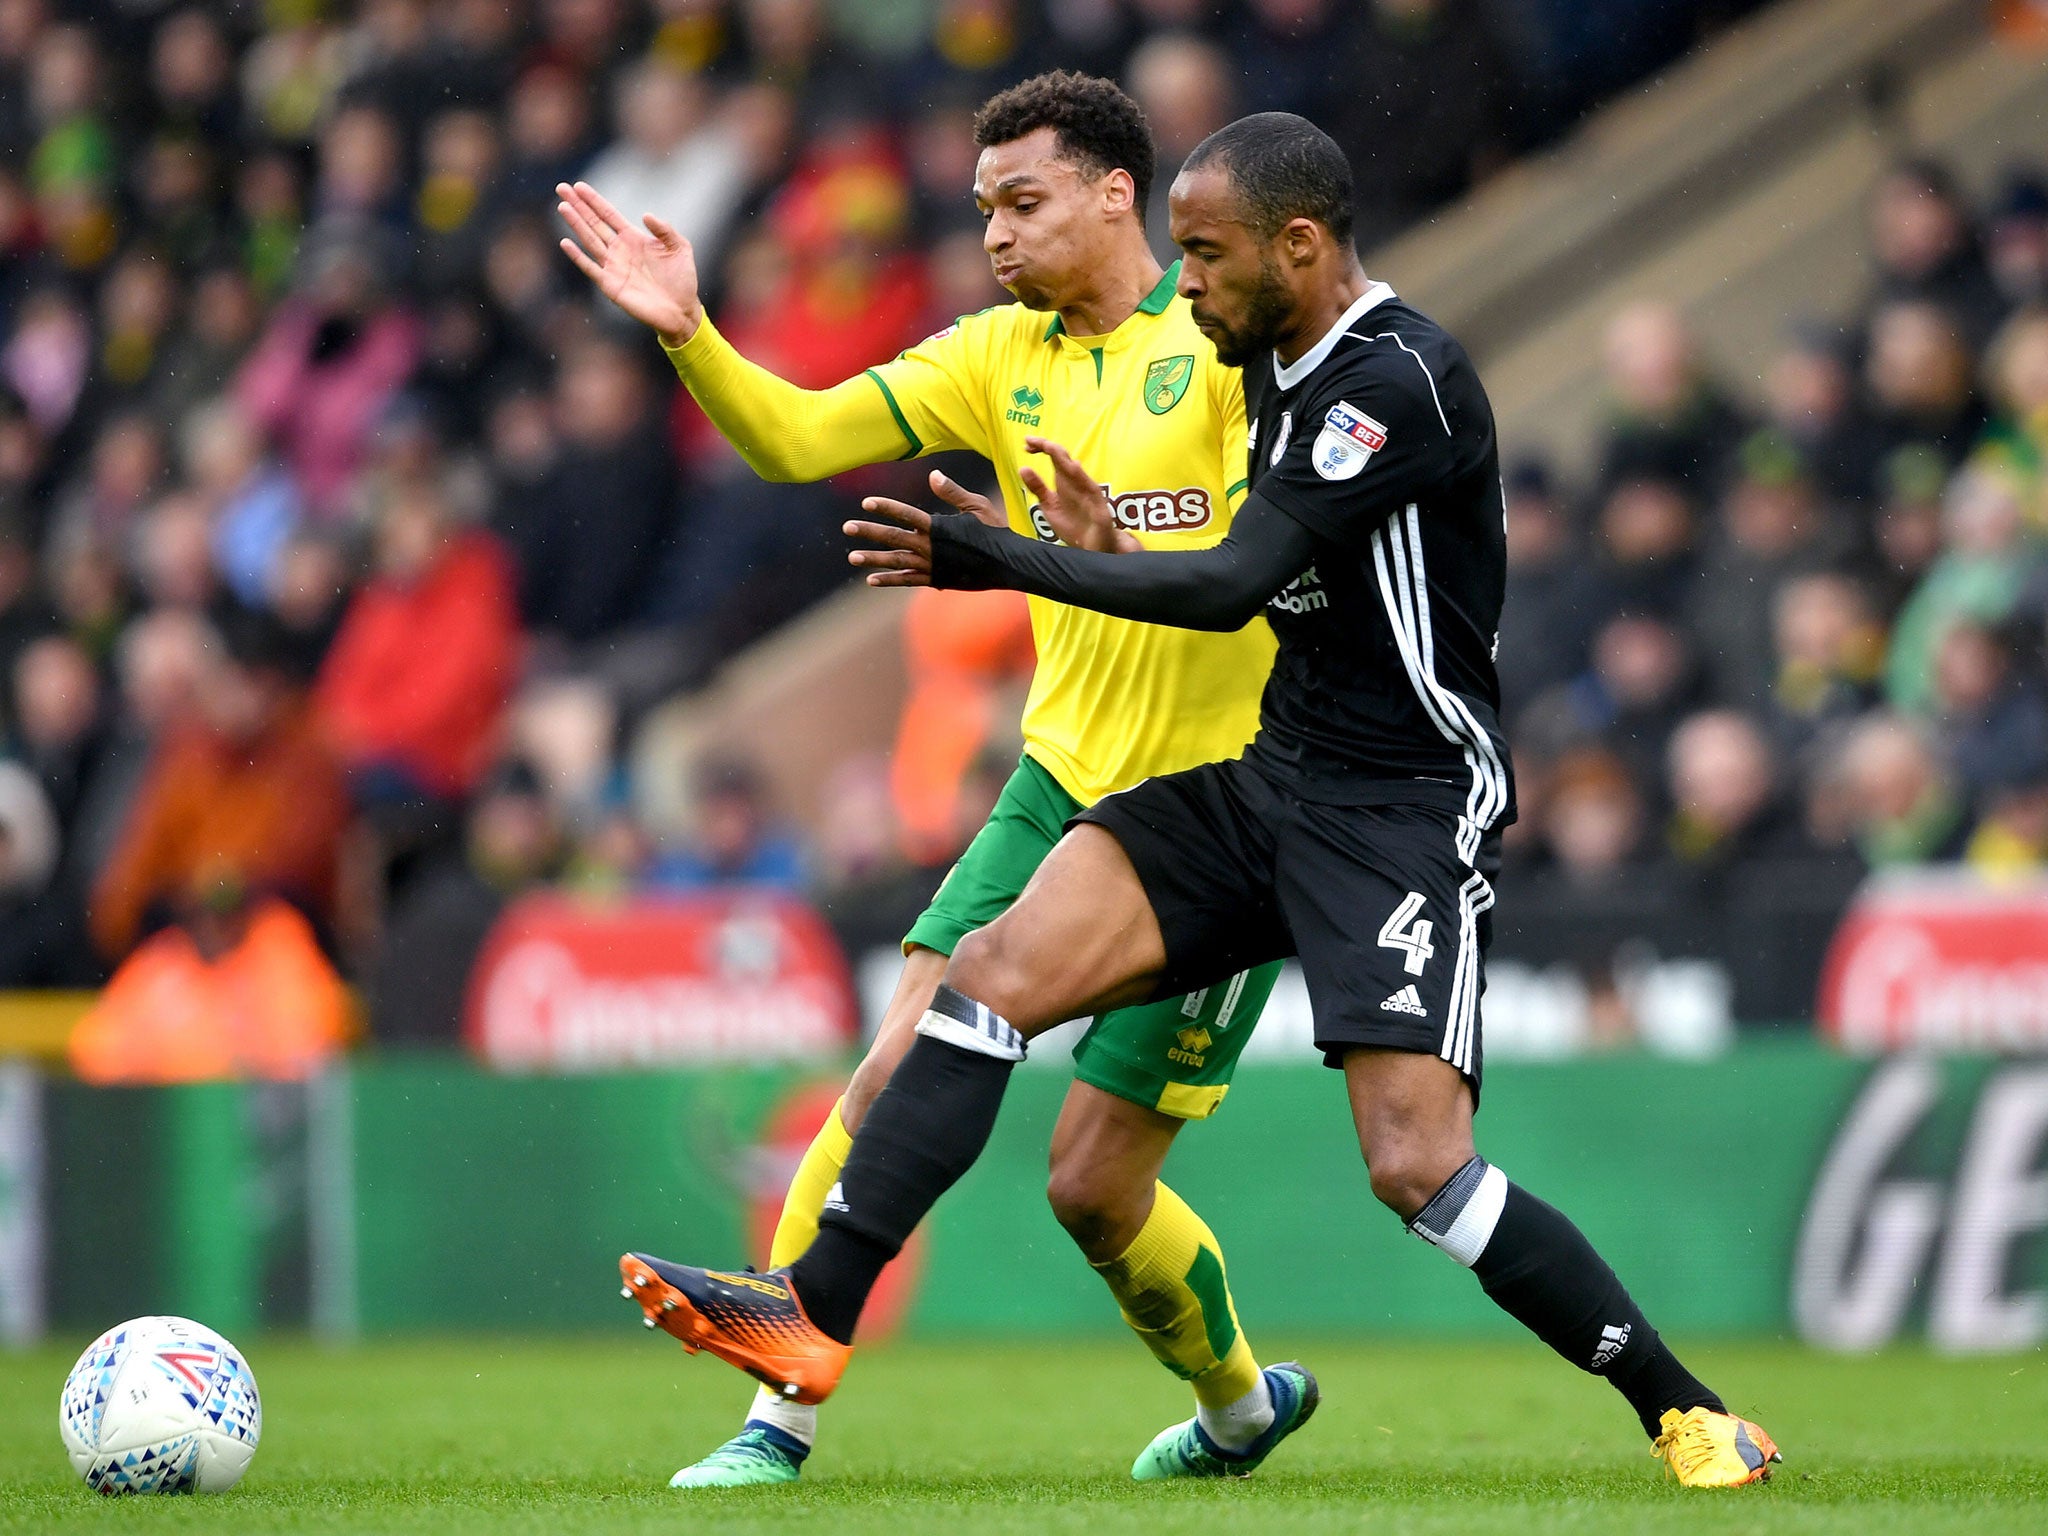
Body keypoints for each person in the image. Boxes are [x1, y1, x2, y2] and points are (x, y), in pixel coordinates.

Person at [622, 112, 1783, 1492]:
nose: (1192, 285)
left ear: (1297, 247)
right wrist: (1109, 539)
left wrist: (1013, 558)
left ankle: (1684, 1408)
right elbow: (1220, 554)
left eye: (1209, 257)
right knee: (978, 981)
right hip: (1262, 776)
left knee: (1418, 1169)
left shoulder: (1389, 380)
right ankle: (807, 1320)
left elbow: (1236, 581)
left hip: (1398, 805)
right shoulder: (1242, 356)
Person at [559, 73, 1306, 1487]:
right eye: (982, 213)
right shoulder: (993, 357)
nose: (999, 238)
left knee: (1094, 1189)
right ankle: (776, 1420)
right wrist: (691, 336)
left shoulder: (1227, 352)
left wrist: (1126, 561)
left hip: (1224, 817)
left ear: (1113, 194)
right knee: (895, 1055)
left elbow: (1284, 581)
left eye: (1025, 203)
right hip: (1055, 785)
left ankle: (1238, 1406)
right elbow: (793, 438)